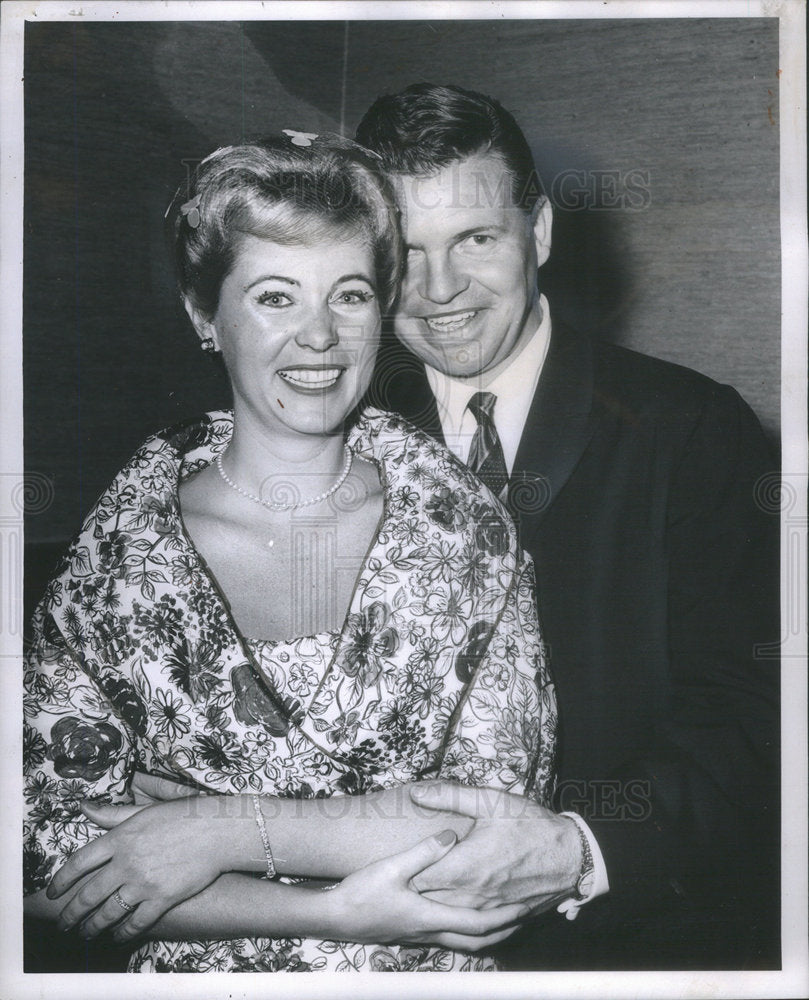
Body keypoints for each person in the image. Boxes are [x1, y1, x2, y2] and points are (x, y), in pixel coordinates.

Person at [22, 132, 558, 973]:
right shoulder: (121, 556)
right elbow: (38, 855)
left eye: (349, 296)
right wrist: (334, 912)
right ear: (204, 315)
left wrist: (214, 830)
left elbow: (506, 836)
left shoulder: (461, 531)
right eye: (275, 297)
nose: (319, 336)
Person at [354, 83, 781, 969]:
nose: (438, 290)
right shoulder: (337, 436)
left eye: (475, 239)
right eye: (405, 251)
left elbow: (756, 711)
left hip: (624, 943)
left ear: (539, 232)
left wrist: (580, 851)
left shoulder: (689, 427)